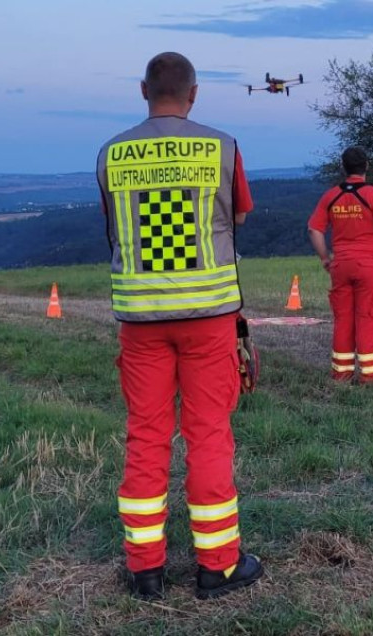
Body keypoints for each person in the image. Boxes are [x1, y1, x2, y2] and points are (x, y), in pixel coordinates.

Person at [96, 52, 263, 601]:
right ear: (194, 94)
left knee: (145, 434)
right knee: (208, 434)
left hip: (140, 322)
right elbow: (237, 217)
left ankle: (145, 570)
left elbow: (114, 226)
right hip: (209, 317)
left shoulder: (111, 153)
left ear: (143, 89)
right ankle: (218, 565)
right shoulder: (223, 146)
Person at [308, 146, 373, 384]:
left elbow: (314, 229)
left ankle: (341, 373)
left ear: (343, 167)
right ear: (366, 166)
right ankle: (369, 377)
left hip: (341, 265)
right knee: (368, 317)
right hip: (370, 266)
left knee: (343, 318)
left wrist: (325, 258)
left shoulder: (331, 196)